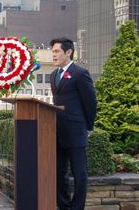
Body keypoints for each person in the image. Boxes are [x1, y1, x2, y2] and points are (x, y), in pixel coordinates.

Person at [50, 37, 96, 210]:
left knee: (79, 174)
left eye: (56, 51)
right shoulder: (54, 74)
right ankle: (63, 206)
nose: (53, 55)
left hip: (76, 131)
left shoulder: (80, 73)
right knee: (59, 172)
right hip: (57, 131)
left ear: (68, 52)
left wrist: (88, 127)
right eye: (52, 51)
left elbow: (90, 102)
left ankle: (77, 207)